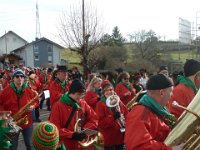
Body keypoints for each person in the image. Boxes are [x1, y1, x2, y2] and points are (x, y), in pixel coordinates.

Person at [124, 74, 183, 150]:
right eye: (171, 91)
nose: (172, 95)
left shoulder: (158, 110)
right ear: (162, 93)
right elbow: (138, 147)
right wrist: (169, 149)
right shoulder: (141, 113)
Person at [49, 79, 98, 150]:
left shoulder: (82, 103)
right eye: (78, 94)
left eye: (82, 94)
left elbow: (94, 118)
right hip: (65, 144)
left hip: (80, 144)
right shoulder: (58, 106)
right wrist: (72, 134)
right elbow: (55, 128)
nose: (80, 97)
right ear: (71, 92)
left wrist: (85, 129)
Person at [0, 68, 37, 150]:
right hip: (12, 123)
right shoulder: (6, 90)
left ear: (24, 78)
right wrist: (6, 118)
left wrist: (33, 106)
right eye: (17, 76)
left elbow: (36, 100)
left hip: (27, 122)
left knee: (30, 144)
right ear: (13, 78)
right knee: (13, 146)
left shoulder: (29, 89)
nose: (19, 78)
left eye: (22, 76)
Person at [95, 81, 128, 150]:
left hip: (120, 137)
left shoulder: (118, 101)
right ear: (103, 93)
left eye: (110, 89)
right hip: (109, 138)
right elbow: (100, 123)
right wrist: (113, 117)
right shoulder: (100, 104)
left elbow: (126, 114)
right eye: (106, 90)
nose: (109, 92)